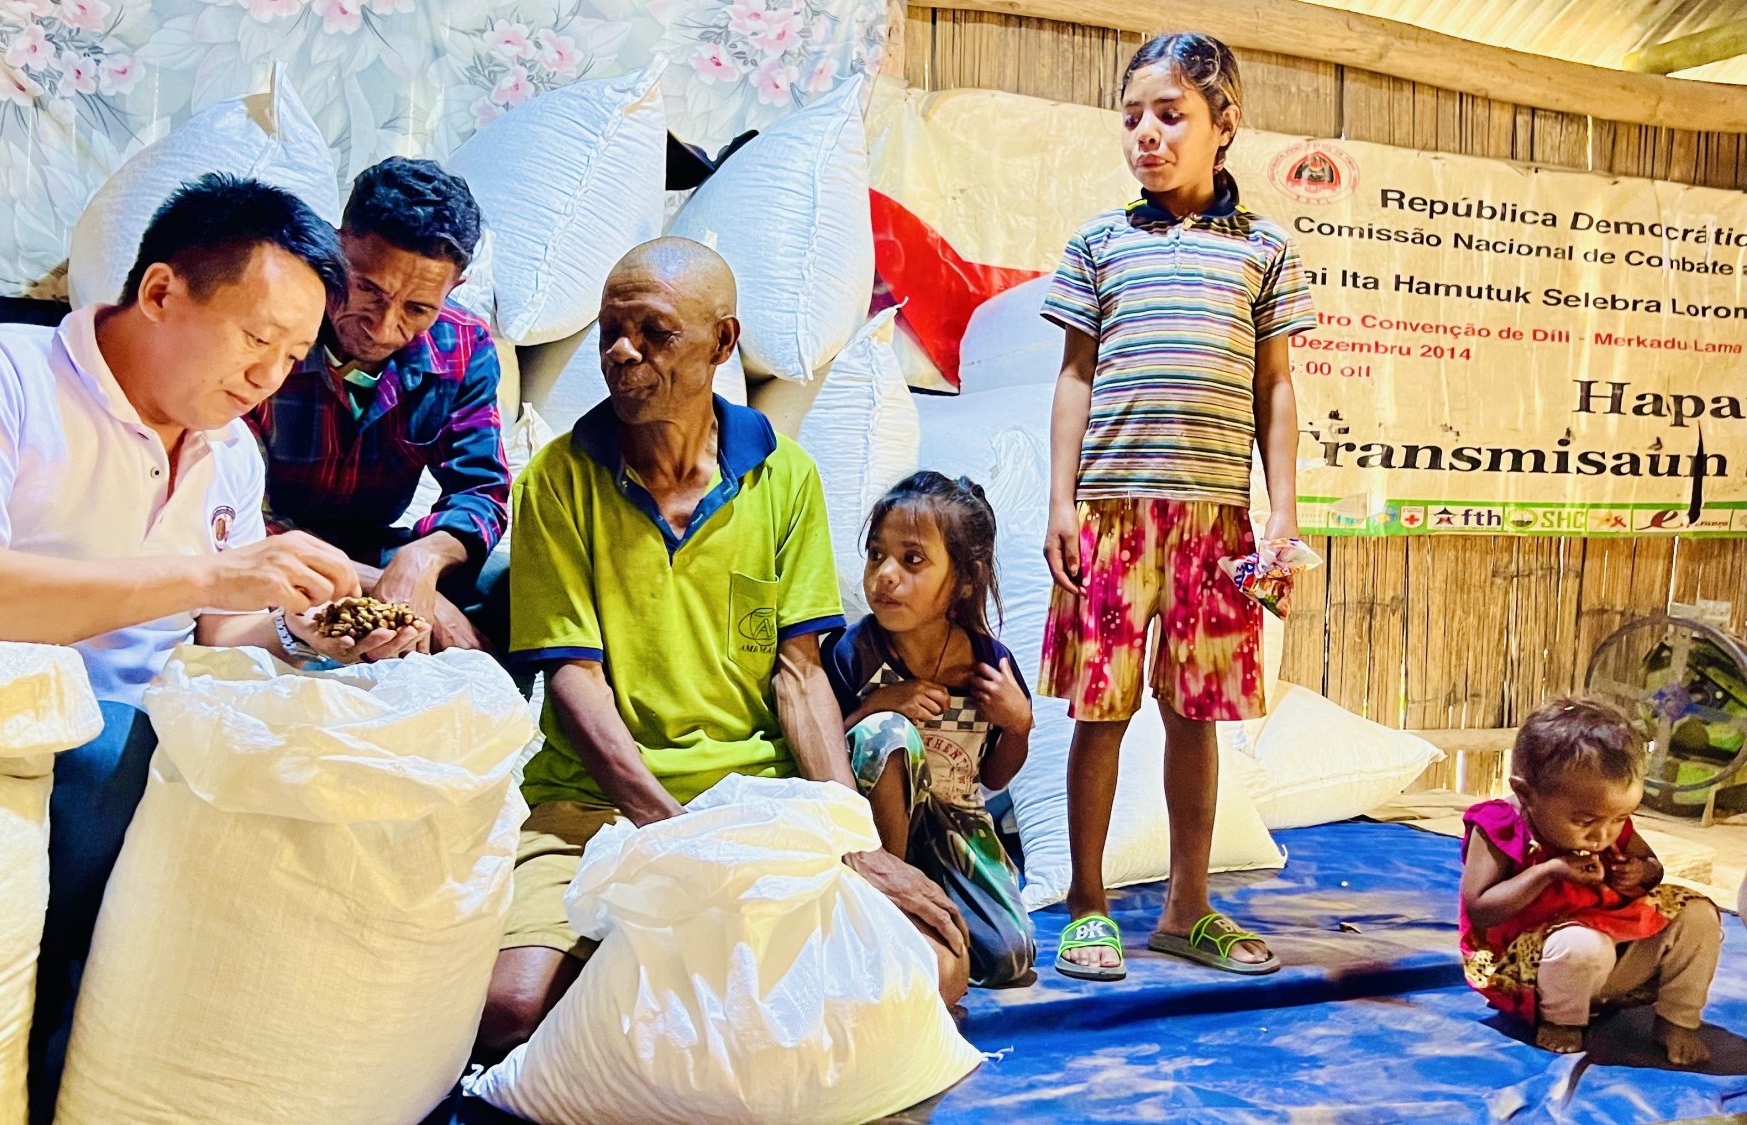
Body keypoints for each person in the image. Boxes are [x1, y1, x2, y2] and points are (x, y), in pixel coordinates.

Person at [0, 174, 427, 1121]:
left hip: (137, 746)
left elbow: (220, 634)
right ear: (162, 292)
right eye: (255, 337)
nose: (269, 377)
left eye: (292, 355)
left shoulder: (227, 451)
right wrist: (208, 575)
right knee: (117, 747)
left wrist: (305, 630)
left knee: (321, 767)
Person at [480, 237, 970, 1059]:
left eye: (654, 332)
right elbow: (574, 679)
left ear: (724, 343)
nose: (620, 352)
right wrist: (678, 841)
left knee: (933, 967)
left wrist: (853, 841)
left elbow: (800, 676)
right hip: (595, 806)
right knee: (515, 1010)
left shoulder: (784, 479)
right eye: (609, 329)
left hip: (757, 798)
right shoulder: (557, 481)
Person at [1039, 31, 1316, 981]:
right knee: (1099, 711)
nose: (1146, 135)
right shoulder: (1098, 246)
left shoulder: (1266, 251)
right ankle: (1087, 904)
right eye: (1131, 117)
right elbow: (1075, 377)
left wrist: (1283, 514)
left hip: (1216, 524)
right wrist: (1059, 503)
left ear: (1223, 124)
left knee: (1197, 714)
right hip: (1111, 518)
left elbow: (1275, 388)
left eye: (1171, 114)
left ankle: (1186, 908)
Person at [244, 157, 511, 657]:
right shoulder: (269, 329)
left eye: (417, 309)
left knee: (507, 587)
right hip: (260, 554)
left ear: (452, 290)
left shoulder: (465, 348)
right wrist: (374, 588)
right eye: (366, 288)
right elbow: (229, 509)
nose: (383, 328)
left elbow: (481, 489)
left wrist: (423, 560)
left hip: (376, 545)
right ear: (335, 245)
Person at [823, 471, 1037, 989]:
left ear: (964, 579)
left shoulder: (989, 664)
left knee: (1010, 957)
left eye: (912, 560)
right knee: (888, 733)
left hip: (955, 827)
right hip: (872, 836)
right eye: (876, 555)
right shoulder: (856, 652)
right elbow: (823, 751)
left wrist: (1019, 724)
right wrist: (876, 705)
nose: (885, 575)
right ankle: (883, 902)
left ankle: (930, 920)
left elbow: (993, 777)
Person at [1460, 698, 1719, 1065]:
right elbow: (1480, 909)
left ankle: (1677, 1019)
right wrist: (1549, 872)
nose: (1604, 835)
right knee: (1581, 944)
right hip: (1533, 973)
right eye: (1585, 822)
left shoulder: (1607, 821)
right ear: (1526, 794)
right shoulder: (1500, 826)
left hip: (1612, 965)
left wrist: (1641, 871)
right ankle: (1563, 1021)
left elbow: (1653, 867)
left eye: (1619, 818)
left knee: (1698, 916)